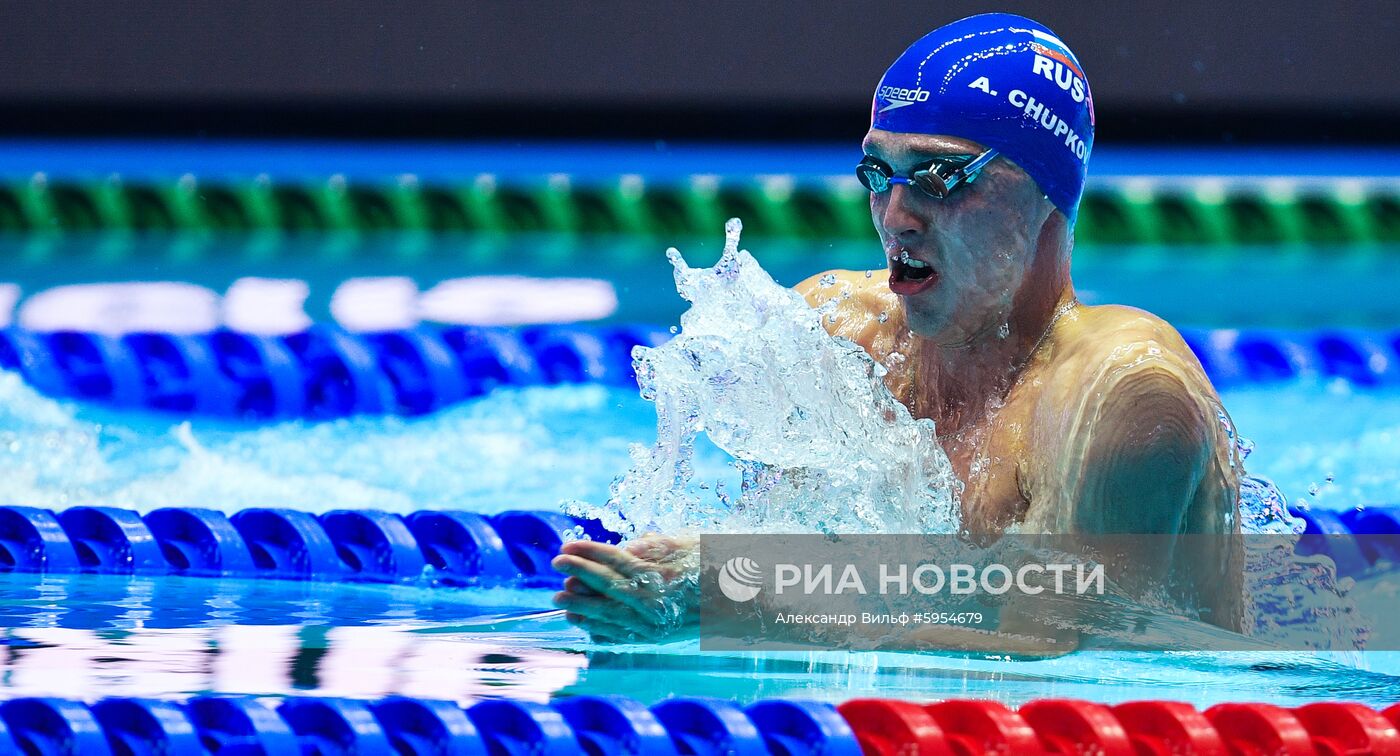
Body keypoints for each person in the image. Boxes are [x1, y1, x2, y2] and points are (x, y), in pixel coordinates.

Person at [552, 13, 1243, 650]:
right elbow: (808, 557)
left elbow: (1053, 670)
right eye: (878, 174)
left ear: (1044, 191)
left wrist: (735, 596)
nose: (897, 216)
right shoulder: (844, 334)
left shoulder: (1123, 396)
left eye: (940, 177)